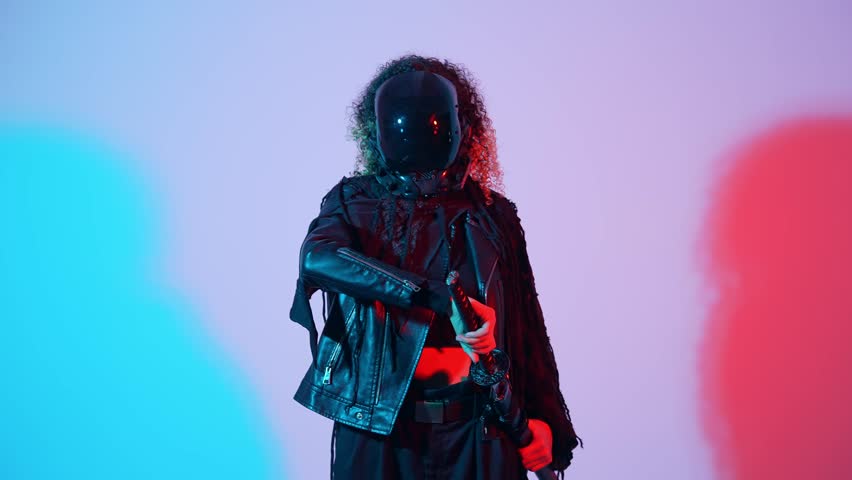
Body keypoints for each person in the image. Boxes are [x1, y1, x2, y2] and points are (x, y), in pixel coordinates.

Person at [290, 54, 583, 479]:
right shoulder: (354, 205)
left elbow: (526, 329)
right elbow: (319, 258)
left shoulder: (491, 215)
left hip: (481, 431)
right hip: (382, 434)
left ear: (463, 125)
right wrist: (437, 297)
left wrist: (544, 422)